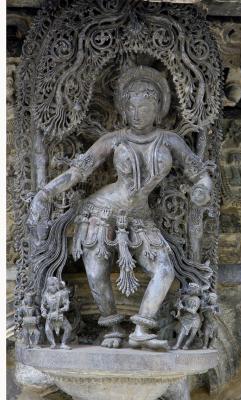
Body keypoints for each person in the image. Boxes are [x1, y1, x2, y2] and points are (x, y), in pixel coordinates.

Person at [28, 66, 212, 350]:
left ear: (158, 108)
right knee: (96, 273)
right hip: (100, 211)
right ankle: (110, 326)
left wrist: (202, 189)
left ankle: (142, 328)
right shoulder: (113, 140)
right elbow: (79, 172)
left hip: (140, 217)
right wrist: (46, 192)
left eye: (144, 106)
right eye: (131, 106)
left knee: (165, 269)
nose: (137, 113)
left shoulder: (170, 141)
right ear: (124, 109)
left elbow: (199, 173)